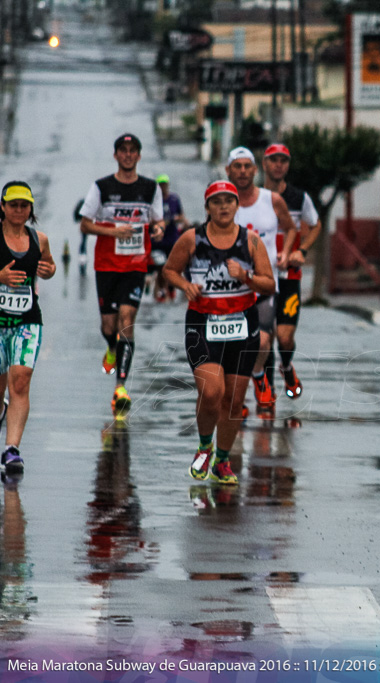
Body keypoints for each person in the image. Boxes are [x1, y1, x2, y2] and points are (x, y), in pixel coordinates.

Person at [162, 180, 275, 485]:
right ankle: (203, 447)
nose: (223, 206)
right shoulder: (192, 239)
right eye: (217, 201)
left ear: (237, 206)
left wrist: (247, 277)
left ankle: (222, 460)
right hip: (203, 324)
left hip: (243, 326)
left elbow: (269, 283)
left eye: (229, 201)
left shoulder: (250, 241)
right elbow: (169, 270)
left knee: (234, 402)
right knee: (212, 393)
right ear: (207, 206)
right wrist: (185, 285)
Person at [79, 133, 164, 419]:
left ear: (139, 155)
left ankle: (121, 388)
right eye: (123, 151)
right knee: (108, 326)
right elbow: (85, 225)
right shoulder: (102, 187)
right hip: (106, 266)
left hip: (135, 266)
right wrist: (113, 231)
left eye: (132, 151)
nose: (128, 155)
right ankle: (111, 349)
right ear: (116, 155)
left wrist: (159, 229)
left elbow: (158, 220)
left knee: (127, 321)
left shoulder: (151, 188)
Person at [0, 181, 57, 475]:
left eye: (24, 206)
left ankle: (11, 450)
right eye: (13, 205)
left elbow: (48, 266)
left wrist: (49, 270)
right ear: (3, 207)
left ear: (30, 208)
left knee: (20, 381)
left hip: (27, 321)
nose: (19, 210)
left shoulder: (39, 239)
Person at [225, 146, 295, 418]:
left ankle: (258, 376)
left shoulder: (272, 200)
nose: (242, 171)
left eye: (247, 166)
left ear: (255, 170)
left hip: (264, 284)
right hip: (232, 287)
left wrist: (286, 252)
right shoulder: (222, 202)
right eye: (237, 166)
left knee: (263, 342)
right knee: (234, 344)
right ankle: (242, 392)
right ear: (228, 170)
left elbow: (290, 227)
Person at [261, 143, 321, 399]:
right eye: (274, 160)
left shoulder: (299, 197)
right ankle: (267, 389)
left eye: (283, 160)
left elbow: (316, 225)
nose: (279, 165)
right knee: (264, 338)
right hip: (261, 279)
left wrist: (302, 251)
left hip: (289, 278)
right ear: (264, 163)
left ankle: (286, 367)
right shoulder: (253, 197)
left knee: (284, 338)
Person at [149, 173, 189, 302]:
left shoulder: (174, 199)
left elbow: (182, 216)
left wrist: (177, 219)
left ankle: (171, 289)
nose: (163, 187)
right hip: (157, 241)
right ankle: (161, 289)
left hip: (172, 240)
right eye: (161, 185)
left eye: (165, 185)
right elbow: (147, 219)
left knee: (172, 267)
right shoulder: (153, 201)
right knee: (160, 267)